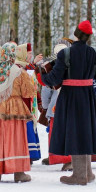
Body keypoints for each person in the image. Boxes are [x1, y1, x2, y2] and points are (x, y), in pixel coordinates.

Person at [40, 20, 96, 185]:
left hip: (71, 96)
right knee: (85, 132)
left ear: (76, 34)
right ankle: (87, 173)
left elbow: (54, 78)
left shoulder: (65, 54)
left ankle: (79, 176)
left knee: (75, 133)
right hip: (88, 96)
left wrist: (42, 74)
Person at [0, 43, 35, 182]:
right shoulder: (18, 71)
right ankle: (18, 172)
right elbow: (29, 91)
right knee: (14, 139)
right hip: (13, 109)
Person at [40, 42, 72, 171]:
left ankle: (56, 157)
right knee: (69, 133)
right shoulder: (74, 66)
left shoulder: (51, 68)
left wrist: (46, 106)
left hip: (56, 107)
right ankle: (69, 159)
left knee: (55, 133)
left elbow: (46, 89)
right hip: (71, 105)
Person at [15, 43, 42, 163]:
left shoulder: (28, 66)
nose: (30, 56)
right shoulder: (17, 66)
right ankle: (25, 153)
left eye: (31, 54)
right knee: (24, 128)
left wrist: (40, 102)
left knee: (30, 127)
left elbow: (34, 86)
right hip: (21, 104)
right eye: (29, 54)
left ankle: (30, 154)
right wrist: (34, 65)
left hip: (30, 103)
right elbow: (24, 77)